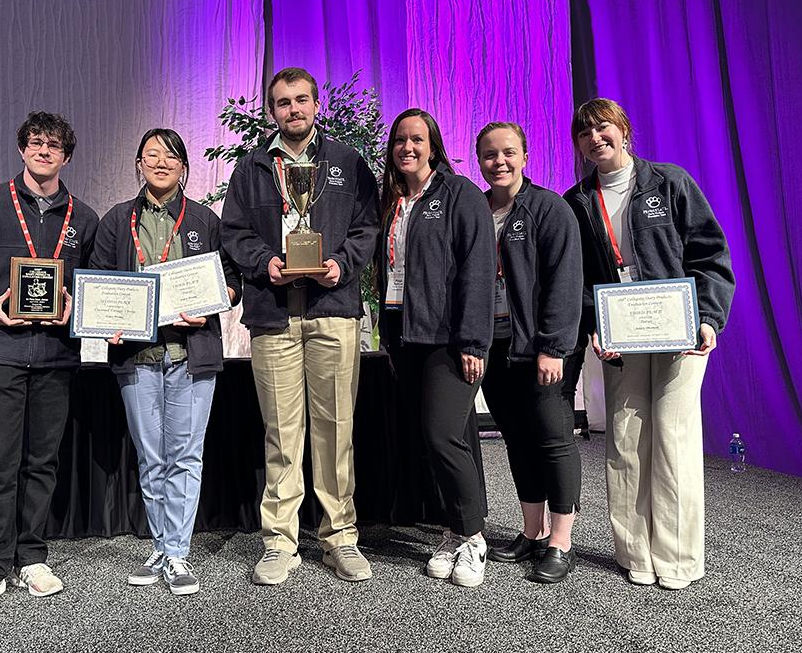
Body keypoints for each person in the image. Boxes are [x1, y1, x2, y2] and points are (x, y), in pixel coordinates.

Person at [564, 98, 734, 590]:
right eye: (585, 132)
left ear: (623, 130)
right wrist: (595, 325)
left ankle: (678, 558)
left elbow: (710, 255)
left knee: (673, 437)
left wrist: (707, 318)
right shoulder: (577, 202)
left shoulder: (670, 182)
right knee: (625, 439)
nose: (595, 138)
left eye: (603, 127)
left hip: (681, 333)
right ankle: (634, 552)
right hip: (623, 336)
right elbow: (580, 278)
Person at [221, 67, 381, 584]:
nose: (294, 109)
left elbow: (368, 228)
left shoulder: (347, 163)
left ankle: (339, 537)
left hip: (332, 309)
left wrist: (342, 263)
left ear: (317, 105)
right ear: (272, 112)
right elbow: (234, 232)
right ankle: (279, 541)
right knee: (281, 433)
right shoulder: (251, 169)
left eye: (302, 100)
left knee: (337, 431)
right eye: (284, 102)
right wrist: (264, 261)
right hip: (273, 313)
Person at [0, 112, 98, 613]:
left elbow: (93, 283)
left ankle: (32, 556)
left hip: (57, 357)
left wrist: (78, 305)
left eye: (54, 145)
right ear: (22, 149)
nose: (44, 151)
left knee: (42, 462)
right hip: (0, 352)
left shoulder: (84, 217)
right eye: (35, 143)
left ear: (66, 155)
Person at [92, 128, 241, 596]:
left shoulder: (204, 220)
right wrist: (103, 320)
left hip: (189, 355)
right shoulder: (118, 220)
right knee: (151, 455)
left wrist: (219, 300)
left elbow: (231, 280)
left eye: (170, 155)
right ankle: (161, 544)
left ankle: (177, 552)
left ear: (183, 166)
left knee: (185, 454)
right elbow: (99, 280)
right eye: (151, 155)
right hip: (136, 355)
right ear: (138, 163)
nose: (161, 162)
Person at [376, 108, 495, 587]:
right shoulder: (393, 199)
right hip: (405, 334)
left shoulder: (460, 194)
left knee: (442, 434)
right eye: (401, 140)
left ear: (434, 145)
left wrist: (472, 341)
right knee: (445, 437)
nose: (408, 147)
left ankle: (474, 538)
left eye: (417, 139)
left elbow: (477, 271)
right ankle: (454, 528)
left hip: (447, 340)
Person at [474, 122, 585, 584]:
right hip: (495, 345)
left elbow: (565, 280)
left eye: (508, 153)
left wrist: (553, 347)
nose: (499, 162)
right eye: (489, 155)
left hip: (541, 347)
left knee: (553, 436)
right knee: (517, 437)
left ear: (525, 156)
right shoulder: (476, 211)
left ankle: (561, 542)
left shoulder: (549, 209)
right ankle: (532, 531)